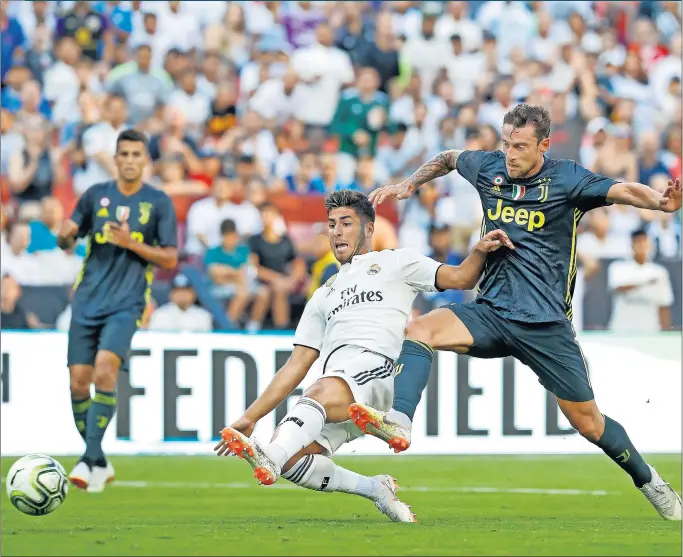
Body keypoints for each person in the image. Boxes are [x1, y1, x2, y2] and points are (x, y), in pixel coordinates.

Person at [350, 104, 683, 521]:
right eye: (506, 143)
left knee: (589, 423)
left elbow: (623, 190)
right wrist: (409, 183)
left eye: (520, 146)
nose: (510, 153)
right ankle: (399, 420)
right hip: (491, 313)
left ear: (544, 145)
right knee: (418, 330)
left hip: (546, 325)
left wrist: (661, 203)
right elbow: (450, 158)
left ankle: (650, 480)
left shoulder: (568, 178)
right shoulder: (489, 167)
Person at [213, 190, 512, 522]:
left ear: (369, 229)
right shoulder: (323, 294)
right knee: (293, 459)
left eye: (346, 223)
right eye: (331, 224)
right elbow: (296, 364)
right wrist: (250, 416)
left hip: (379, 370)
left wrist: (479, 251)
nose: (337, 231)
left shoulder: (396, 262)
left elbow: (461, 277)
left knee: (309, 406)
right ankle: (374, 489)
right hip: (343, 395)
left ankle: (267, 454)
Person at [57, 129, 178, 493]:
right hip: (87, 300)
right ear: (115, 158)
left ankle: (86, 459)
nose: (128, 160)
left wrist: (130, 242)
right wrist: (64, 235)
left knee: (105, 370)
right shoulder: (95, 196)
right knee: (78, 382)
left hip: (127, 303)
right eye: (123, 154)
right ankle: (97, 458)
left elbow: (170, 257)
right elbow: (67, 240)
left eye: (135, 154)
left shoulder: (158, 202)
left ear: (145, 160)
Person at [607, 229, 674, 332]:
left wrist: (666, 333)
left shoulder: (659, 272)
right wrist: (646, 282)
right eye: (638, 242)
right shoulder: (618, 268)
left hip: (650, 330)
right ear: (631, 244)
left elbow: (664, 305)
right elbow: (618, 287)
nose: (641, 246)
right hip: (622, 330)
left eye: (644, 242)